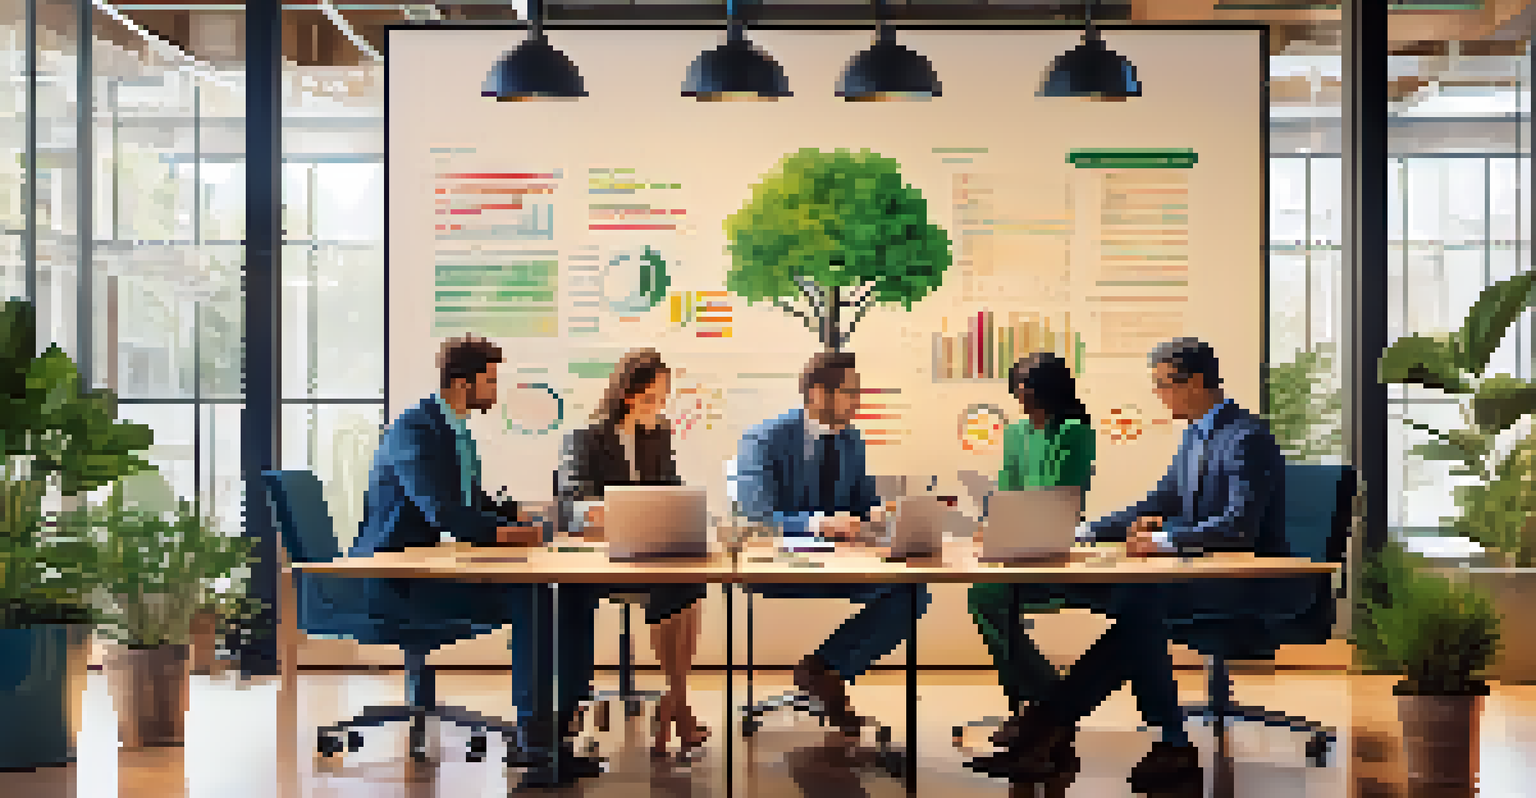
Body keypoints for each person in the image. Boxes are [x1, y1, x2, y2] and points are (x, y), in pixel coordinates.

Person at [967, 338, 1285, 796]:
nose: (1159, 396)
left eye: (1163, 386)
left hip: (1240, 583)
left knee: (1139, 608)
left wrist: (1164, 538)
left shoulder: (1245, 438)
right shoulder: (1196, 434)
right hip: (1191, 573)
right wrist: (1084, 532)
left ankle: (1052, 722)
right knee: (1133, 602)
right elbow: (1159, 501)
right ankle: (1153, 740)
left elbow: (1239, 527)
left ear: (1194, 382)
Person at [353, 335, 602, 787]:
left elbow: (472, 500)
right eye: (489, 380)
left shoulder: (452, 430)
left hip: (430, 569)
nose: (494, 389)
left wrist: (518, 516)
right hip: (395, 580)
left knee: (573, 590)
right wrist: (511, 534)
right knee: (532, 595)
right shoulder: (416, 430)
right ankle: (534, 738)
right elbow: (444, 512)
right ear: (463, 383)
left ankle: (563, 726)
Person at [735, 351, 932, 739]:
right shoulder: (764, 438)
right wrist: (819, 523)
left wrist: (878, 514)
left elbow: (862, 502)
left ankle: (825, 668)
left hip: (843, 563)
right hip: (782, 566)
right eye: (849, 392)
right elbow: (756, 514)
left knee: (912, 592)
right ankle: (827, 674)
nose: (857, 401)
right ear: (816, 394)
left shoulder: (851, 440)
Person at [561, 348, 710, 760]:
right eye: (651, 399)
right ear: (627, 395)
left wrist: (687, 510)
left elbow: (672, 487)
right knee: (673, 586)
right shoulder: (585, 438)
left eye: (663, 400)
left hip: (651, 555)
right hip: (603, 561)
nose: (658, 408)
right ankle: (678, 708)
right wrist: (602, 511)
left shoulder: (657, 434)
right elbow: (572, 501)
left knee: (690, 581)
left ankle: (675, 699)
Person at [967, 352, 1095, 735]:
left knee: (990, 599)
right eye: (1018, 383)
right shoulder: (1015, 434)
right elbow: (1008, 492)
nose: (1021, 391)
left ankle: (1043, 703)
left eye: (1029, 384)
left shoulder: (1073, 431)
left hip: (1053, 549)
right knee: (985, 596)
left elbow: (1061, 499)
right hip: (1016, 546)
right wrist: (989, 524)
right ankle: (1042, 703)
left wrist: (1010, 525)